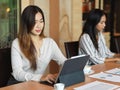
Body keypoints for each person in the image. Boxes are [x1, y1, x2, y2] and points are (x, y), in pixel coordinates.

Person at [7, 5, 67, 85]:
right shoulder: (17, 43)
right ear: (26, 23)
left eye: (41, 21)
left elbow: (64, 62)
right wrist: (40, 77)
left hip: (36, 84)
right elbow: (17, 73)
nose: (39, 25)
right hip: (18, 84)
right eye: (34, 22)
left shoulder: (49, 43)